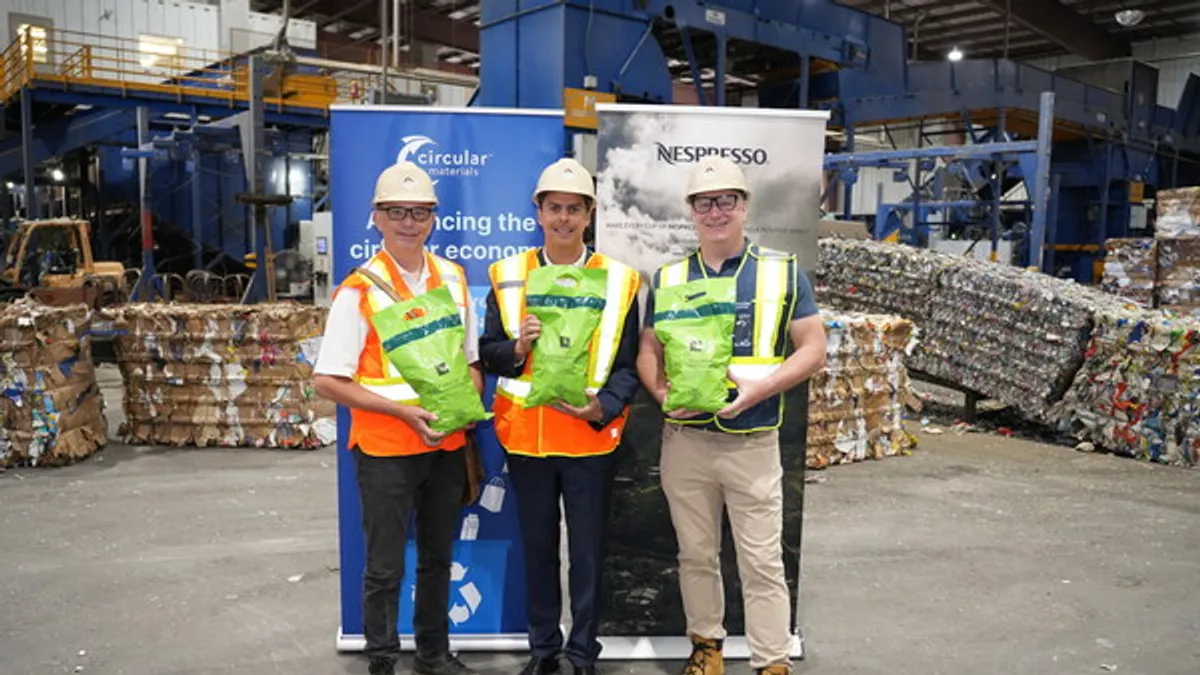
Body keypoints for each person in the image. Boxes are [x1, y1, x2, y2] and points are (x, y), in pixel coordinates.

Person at [635, 155, 827, 675]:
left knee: (762, 562)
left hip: (752, 442)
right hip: (686, 441)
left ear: (744, 207)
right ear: (691, 212)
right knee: (695, 555)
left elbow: (813, 348)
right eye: (704, 202)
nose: (715, 211)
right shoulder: (669, 277)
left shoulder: (781, 272)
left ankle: (771, 664)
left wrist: (765, 386)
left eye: (726, 201)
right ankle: (707, 651)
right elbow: (647, 350)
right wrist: (659, 392)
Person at [313, 161, 482, 675]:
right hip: (386, 451)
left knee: (437, 560)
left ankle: (433, 655)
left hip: (446, 448)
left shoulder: (453, 278)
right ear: (377, 218)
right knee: (384, 568)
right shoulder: (357, 291)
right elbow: (327, 380)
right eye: (397, 212)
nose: (409, 222)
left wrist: (465, 406)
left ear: (434, 218)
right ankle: (382, 660)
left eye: (420, 212)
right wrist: (404, 412)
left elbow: (470, 362)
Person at [478, 157, 642, 675]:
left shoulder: (620, 282)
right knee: (538, 550)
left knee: (588, 555)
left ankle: (582, 653)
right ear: (538, 212)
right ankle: (544, 652)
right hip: (526, 441)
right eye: (555, 209)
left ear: (589, 214)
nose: (564, 219)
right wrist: (518, 348)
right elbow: (488, 353)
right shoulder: (508, 277)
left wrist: (604, 407)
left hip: (589, 441)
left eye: (574, 209)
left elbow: (627, 365)